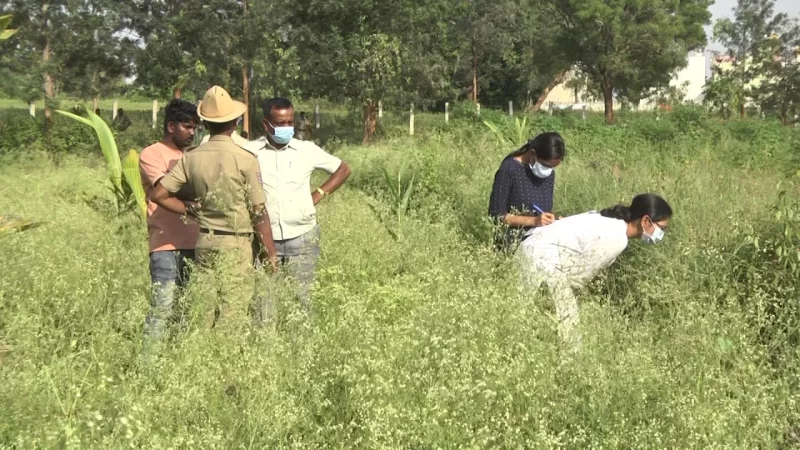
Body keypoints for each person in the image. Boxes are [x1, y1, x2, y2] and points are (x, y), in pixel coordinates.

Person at [151, 85, 279, 326]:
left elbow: (159, 194)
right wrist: (269, 254)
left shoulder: (191, 157)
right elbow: (259, 212)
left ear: (205, 124)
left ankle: (200, 351)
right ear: (234, 123)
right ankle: (225, 355)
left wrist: (190, 211)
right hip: (237, 242)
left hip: (205, 241)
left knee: (205, 309)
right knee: (233, 309)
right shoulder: (245, 159)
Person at [518, 193, 673, 352]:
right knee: (570, 333)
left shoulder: (610, 222)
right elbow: (577, 276)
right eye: (662, 228)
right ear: (646, 221)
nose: (662, 234)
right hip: (541, 258)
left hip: (531, 248)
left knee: (530, 315)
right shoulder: (617, 238)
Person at [244, 97, 351, 318]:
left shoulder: (306, 150)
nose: (286, 128)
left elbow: (342, 169)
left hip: (302, 236)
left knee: (301, 298)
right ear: (266, 124)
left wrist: (318, 194)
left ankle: (302, 345)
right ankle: (266, 344)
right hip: (264, 237)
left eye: (289, 122)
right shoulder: (251, 152)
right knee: (264, 300)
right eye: (280, 123)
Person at [139, 99, 200, 345]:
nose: (192, 132)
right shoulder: (152, 154)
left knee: (186, 309)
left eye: (195, 127)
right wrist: (198, 198)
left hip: (196, 243)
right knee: (162, 307)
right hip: (166, 245)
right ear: (170, 126)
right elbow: (168, 189)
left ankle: (177, 358)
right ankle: (148, 366)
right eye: (187, 126)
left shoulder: (192, 156)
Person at [488, 132, 565, 254]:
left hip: (541, 244)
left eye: (552, 167)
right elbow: (496, 216)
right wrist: (534, 221)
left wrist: (552, 218)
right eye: (545, 165)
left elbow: (542, 210)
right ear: (533, 154)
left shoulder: (548, 175)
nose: (548, 170)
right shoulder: (509, 170)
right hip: (512, 247)